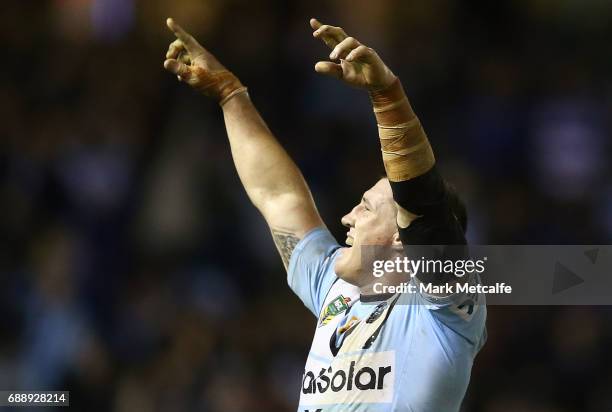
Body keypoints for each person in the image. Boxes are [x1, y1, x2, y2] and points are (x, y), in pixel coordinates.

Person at [163, 16, 486, 412]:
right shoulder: (337, 290)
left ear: (405, 238)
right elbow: (279, 196)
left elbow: (424, 207)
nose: (347, 217)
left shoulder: (446, 316)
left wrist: (388, 98)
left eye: (366, 208)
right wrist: (231, 95)